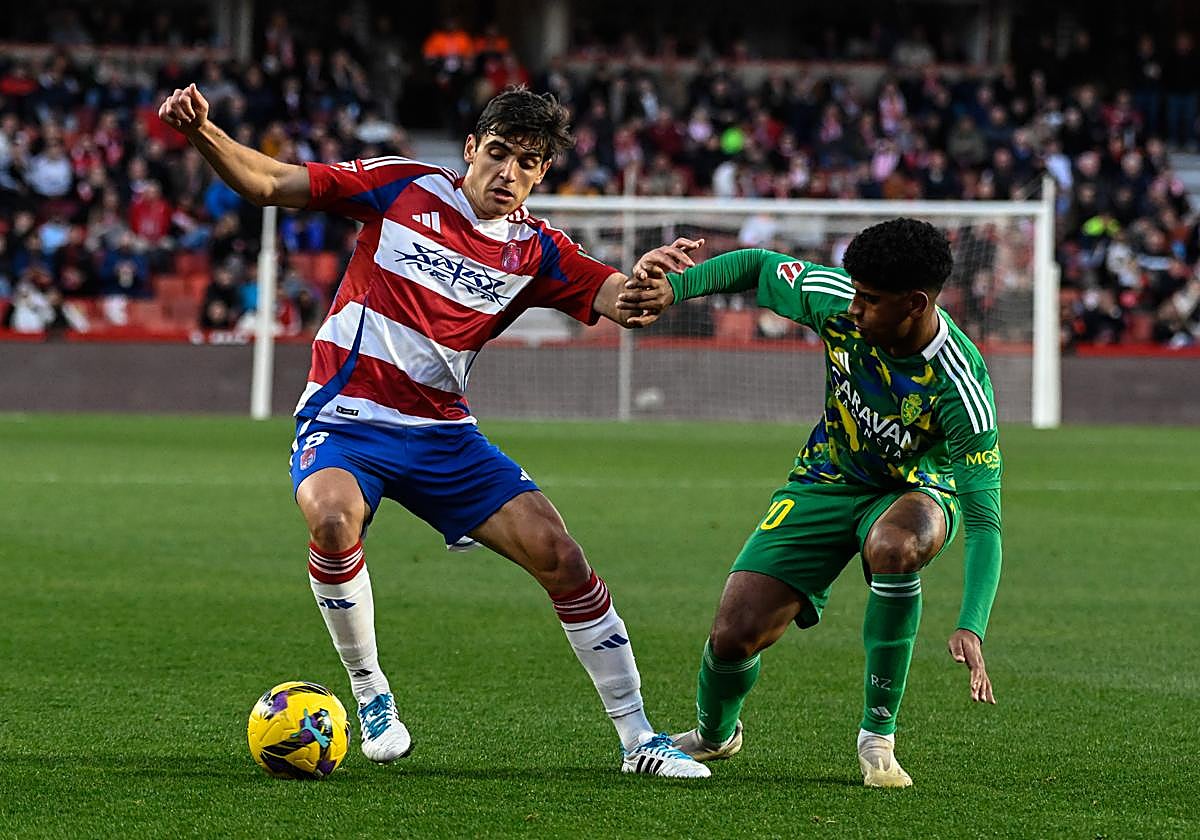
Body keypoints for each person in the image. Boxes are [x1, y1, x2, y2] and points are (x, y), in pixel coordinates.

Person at [158, 83, 711, 778]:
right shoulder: (402, 186)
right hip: (347, 418)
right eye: (499, 153)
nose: (508, 173)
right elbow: (270, 181)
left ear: (543, 174)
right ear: (472, 150)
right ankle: (372, 696)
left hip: (444, 434)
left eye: (528, 163)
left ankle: (639, 741)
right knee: (332, 521)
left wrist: (653, 284)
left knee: (561, 556)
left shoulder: (538, 251)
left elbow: (622, 304)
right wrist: (204, 133)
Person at [622, 218, 1002, 787]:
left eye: (870, 300)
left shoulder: (959, 385)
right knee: (733, 632)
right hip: (823, 478)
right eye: (855, 293)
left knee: (896, 545)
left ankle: (877, 735)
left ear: (915, 303)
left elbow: (985, 521)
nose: (853, 308)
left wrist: (971, 624)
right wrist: (677, 287)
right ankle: (715, 735)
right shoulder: (838, 300)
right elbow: (755, 264)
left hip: (912, 493)